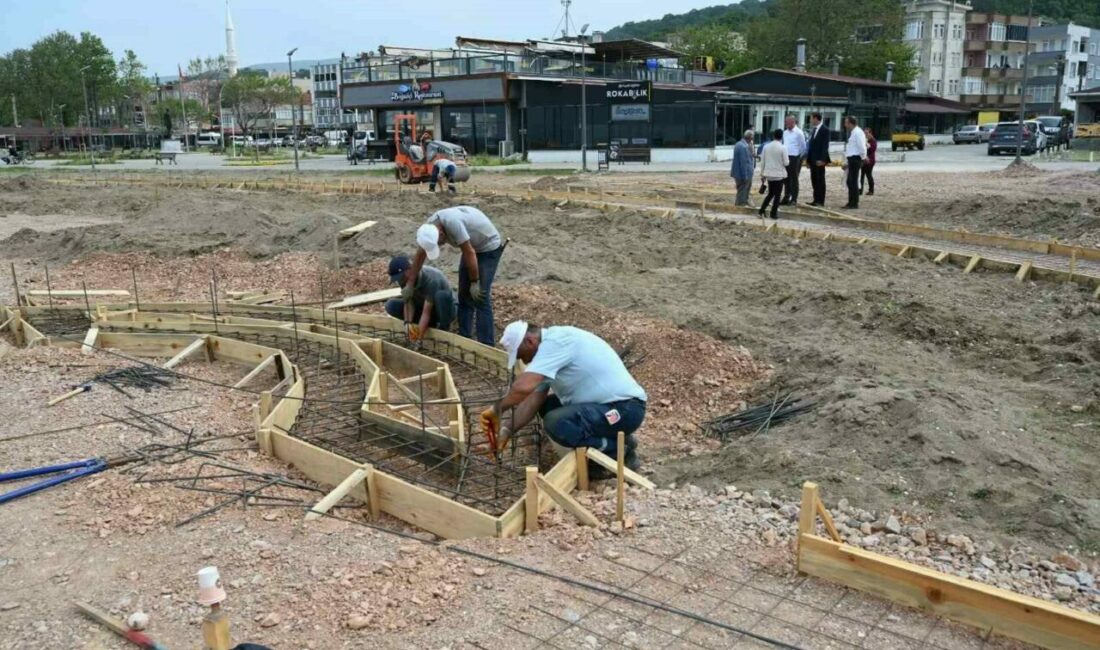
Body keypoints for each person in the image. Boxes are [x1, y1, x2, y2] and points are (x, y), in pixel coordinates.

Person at [481, 321, 647, 474]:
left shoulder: (557, 343)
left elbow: (522, 387)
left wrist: (497, 409)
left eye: (521, 355)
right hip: (606, 408)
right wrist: (506, 431)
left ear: (530, 342)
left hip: (625, 409)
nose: (523, 360)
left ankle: (616, 451)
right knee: (547, 406)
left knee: (556, 422)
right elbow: (533, 400)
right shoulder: (550, 349)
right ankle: (615, 439)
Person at [410, 206, 503, 346]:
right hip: (471, 247)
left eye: (439, 243)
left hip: (487, 246)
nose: (441, 245)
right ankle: (464, 338)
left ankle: (486, 344)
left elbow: (470, 252)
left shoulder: (453, 223)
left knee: (480, 297)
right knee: (464, 295)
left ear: (441, 232)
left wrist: (474, 282)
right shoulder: (429, 228)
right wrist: (410, 284)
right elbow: (420, 254)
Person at [383, 255, 456, 342]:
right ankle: (427, 325)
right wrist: (407, 323)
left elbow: (426, 312)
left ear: (408, 270)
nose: (399, 281)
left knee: (441, 296)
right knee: (391, 305)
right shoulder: (404, 279)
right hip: (423, 307)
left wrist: (419, 339)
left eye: (400, 277)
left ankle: (444, 329)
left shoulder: (431, 279)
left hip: (444, 310)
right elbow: (409, 302)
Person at [758, 129, 788, 219]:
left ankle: (762, 210)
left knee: (770, 193)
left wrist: (762, 174)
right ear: (781, 136)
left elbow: (762, 161)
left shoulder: (766, 147)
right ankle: (773, 213)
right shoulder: (783, 147)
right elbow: (786, 163)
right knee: (777, 195)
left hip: (769, 174)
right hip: (779, 174)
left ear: (773, 136)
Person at [780, 114, 807, 205]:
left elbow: (803, 146)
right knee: (786, 178)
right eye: (785, 121)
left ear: (792, 121)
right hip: (786, 157)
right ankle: (786, 197)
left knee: (794, 179)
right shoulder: (785, 132)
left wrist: (798, 157)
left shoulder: (799, 132)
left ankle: (794, 199)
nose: (785, 123)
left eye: (787, 121)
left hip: (795, 157)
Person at [842, 116, 868, 210]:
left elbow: (862, 146)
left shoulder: (858, 132)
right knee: (850, 181)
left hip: (856, 159)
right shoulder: (853, 132)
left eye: (846, 123)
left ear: (851, 123)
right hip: (852, 159)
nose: (845, 125)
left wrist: (863, 157)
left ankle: (854, 203)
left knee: (853, 181)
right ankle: (851, 201)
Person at [806, 113, 831, 206]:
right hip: (813, 160)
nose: (810, 121)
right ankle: (815, 199)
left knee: (820, 180)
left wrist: (822, 160)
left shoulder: (825, 130)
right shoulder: (814, 130)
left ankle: (820, 201)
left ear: (816, 119)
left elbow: (825, 146)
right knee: (814, 180)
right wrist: (808, 161)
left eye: (811, 118)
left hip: (819, 161)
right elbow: (811, 147)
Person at [730, 130, 755, 207]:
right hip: (743, 173)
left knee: (741, 190)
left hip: (737, 173)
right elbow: (743, 163)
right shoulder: (744, 147)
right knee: (743, 190)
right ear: (750, 138)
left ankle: (741, 202)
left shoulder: (738, 144)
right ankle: (741, 204)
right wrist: (745, 175)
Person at [860, 128, 877, 196]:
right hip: (864, 160)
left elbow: (872, 150)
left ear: (870, 133)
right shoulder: (864, 140)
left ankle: (871, 190)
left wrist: (866, 145)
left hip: (870, 160)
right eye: (864, 133)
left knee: (869, 175)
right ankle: (860, 190)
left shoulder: (873, 140)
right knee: (861, 176)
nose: (865, 134)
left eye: (867, 133)